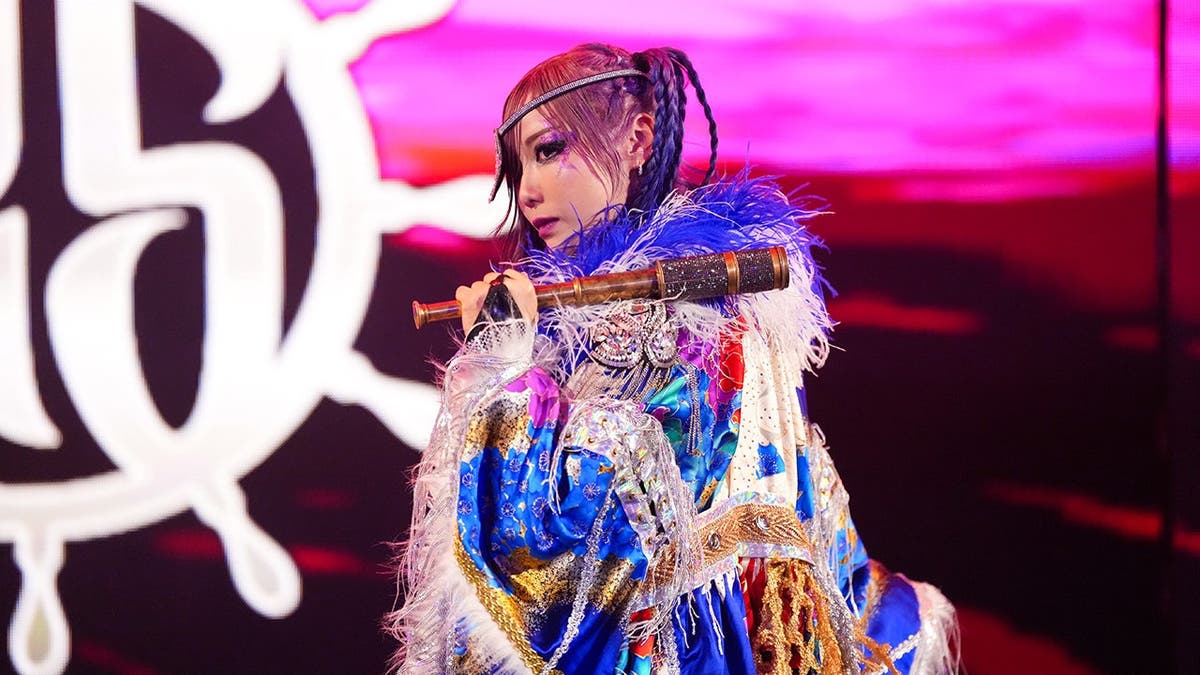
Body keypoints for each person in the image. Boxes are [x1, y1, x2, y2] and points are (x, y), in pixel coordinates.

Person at [389, 43, 957, 675]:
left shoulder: (699, 322)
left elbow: (584, 529)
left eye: (550, 151)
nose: (527, 191)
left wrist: (505, 374)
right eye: (517, 165)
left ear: (636, 140)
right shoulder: (597, 323)